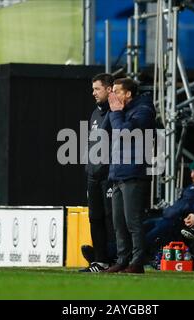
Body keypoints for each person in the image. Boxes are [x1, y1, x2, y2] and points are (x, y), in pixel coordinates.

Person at [103, 78, 156, 274]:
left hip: (133, 173)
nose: (113, 96)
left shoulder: (143, 111)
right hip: (118, 173)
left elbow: (124, 132)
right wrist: (113, 111)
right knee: (119, 222)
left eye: (116, 91)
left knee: (132, 221)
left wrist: (116, 112)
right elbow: (106, 131)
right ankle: (122, 259)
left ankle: (137, 262)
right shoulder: (121, 111)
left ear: (128, 94)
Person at [79, 73, 116, 273]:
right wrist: (89, 169)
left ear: (109, 89)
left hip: (110, 175)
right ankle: (100, 261)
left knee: (113, 218)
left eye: (97, 89)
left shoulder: (117, 112)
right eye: (93, 89)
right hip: (94, 176)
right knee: (95, 218)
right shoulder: (95, 113)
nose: (93, 93)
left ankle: (118, 258)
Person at [143, 158, 194, 255]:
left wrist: (182, 209)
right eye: (192, 172)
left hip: (178, 221)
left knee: (149, 236)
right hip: (166, 218)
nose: (192, 175)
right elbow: (179, 203)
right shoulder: (188, 187)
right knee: (140, 227)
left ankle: (134, 256)